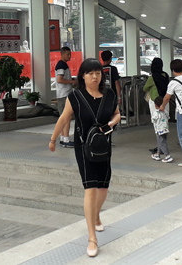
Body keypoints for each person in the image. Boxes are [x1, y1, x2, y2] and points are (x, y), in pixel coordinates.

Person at [49, 58, 121, 258]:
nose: (95, 77)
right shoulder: (76, 96)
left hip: (103, 146)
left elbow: (116, 114)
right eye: (90, 73)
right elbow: (64, 118)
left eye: (98, 73)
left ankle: (95, 216)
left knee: (104, 187)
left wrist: (112, 124)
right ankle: (92, 238)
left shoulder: (109, 94)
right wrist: (53, 139)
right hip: (83, 148)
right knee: (90, 189)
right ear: (82, 75)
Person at [55, 47, 77, 148]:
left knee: (64, 118)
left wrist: (71, 79)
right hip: (64, 94)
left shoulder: (63, 65)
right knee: (67, 118)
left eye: (70, 54)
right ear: (62, 54)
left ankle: (63, 139)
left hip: (65, 94)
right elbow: (60, 80)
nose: (69, 56)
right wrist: (72, 82)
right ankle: (66, 139)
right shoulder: (61, 65)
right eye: (67, 54)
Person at [143, 57, 169, 128]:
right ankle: (164, 135)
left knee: (156, 121)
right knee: (165, 120)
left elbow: (145, 88)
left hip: (155, 101)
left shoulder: (152, 77)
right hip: (165, 100)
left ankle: (159, 137)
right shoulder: (166, 75)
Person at [150, 96, 173, 162]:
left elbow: (153, 120)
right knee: (161, 142)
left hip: (159, 130)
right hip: (165, 129)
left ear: (155, 105)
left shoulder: (155, 113)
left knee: (162, 143)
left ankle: (167, 155)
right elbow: (168, 117)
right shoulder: (165, 111)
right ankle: (158, 154)